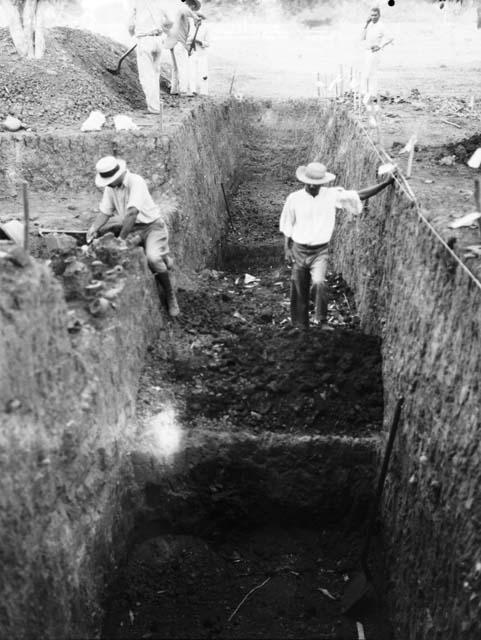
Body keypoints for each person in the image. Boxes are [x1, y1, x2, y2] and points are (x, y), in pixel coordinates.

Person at [279, 161, 394, 330]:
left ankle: (322, 319)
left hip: (319, 251)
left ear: (323, 183)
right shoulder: (294, 199)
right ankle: (300, 325)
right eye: (310, 183)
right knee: (298, 286)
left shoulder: (331, 195)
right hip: (298, 249)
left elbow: (358, 195)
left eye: (317, 184)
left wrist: (384, 184)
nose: (313, 186)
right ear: (304, 181)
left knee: (319, 282)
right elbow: (287, 224)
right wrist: (287, 249)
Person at [87, 156, 180, 318]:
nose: (107, 184)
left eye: (109, 180)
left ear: (117, 175)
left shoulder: (136, 182)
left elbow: (132, 213)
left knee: (152, 258)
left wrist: (120, 240)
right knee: (107, 238)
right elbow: (105, 212)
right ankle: (163, 258)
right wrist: (94, 228)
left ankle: (170, 296)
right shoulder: (111, 188)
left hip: (152, 227)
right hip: (133, 229)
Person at [127, 0, 203, 111]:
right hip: (158, 40)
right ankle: (157, 103)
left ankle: (154, 107)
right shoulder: (160, 3)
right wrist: (161, 29)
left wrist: (134, 34)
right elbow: (170, 21)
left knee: (147, 76)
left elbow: (130, 26)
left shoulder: (137, 3)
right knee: (156, 74)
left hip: (145, 39)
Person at [360, 6, 393, 103]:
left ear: (379, 15)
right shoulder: (369, 25)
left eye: (375, 15)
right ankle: (366, 93)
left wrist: (380, 46)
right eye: (372, 15)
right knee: (366, 73)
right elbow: (362, 38)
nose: (373, 17)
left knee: (372, 73)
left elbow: (390, 37)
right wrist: (366, 24)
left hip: (375, 53)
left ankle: (373, 95)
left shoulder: (381, 26)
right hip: (367, 52)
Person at [186, 0, 210, 96]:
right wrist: (189, 43)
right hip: (192, 52)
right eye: (196, 17)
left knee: (203, 73)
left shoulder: (206, 28)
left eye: (200, 18)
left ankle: (204, 91)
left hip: (202, 53)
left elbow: (208, 43)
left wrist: (200, 42)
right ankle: (193, 90)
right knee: (192, 72)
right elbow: (186, 39)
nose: (198, 19)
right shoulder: (190, 27)